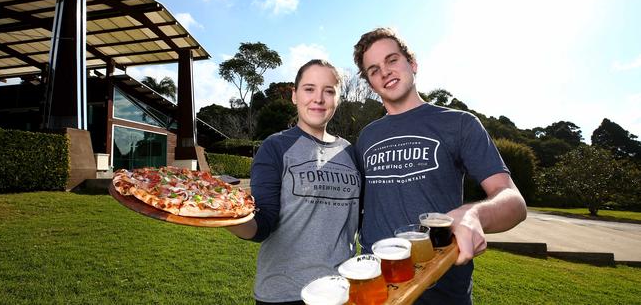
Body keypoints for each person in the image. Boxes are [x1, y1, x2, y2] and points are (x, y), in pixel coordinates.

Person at [352, 27, 527, 304]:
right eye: (373, 70)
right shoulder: (367, 137)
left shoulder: (460, 124)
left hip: (442, 289)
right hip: (378, 287)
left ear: (413, 63)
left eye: (392, 60)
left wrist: (474, 214)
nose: (384, 72)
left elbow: (514, 201)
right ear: (371, 83)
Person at [226, 59, 362, 305]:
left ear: (338, 98)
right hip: (285, 294)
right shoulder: (275, 147)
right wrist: (222, 215)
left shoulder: (351, 152)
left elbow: (360, 220)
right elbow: (262, 225)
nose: (318, 98)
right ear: (294, 95)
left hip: (342, 291)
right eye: (309, 89)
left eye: (328, 90)